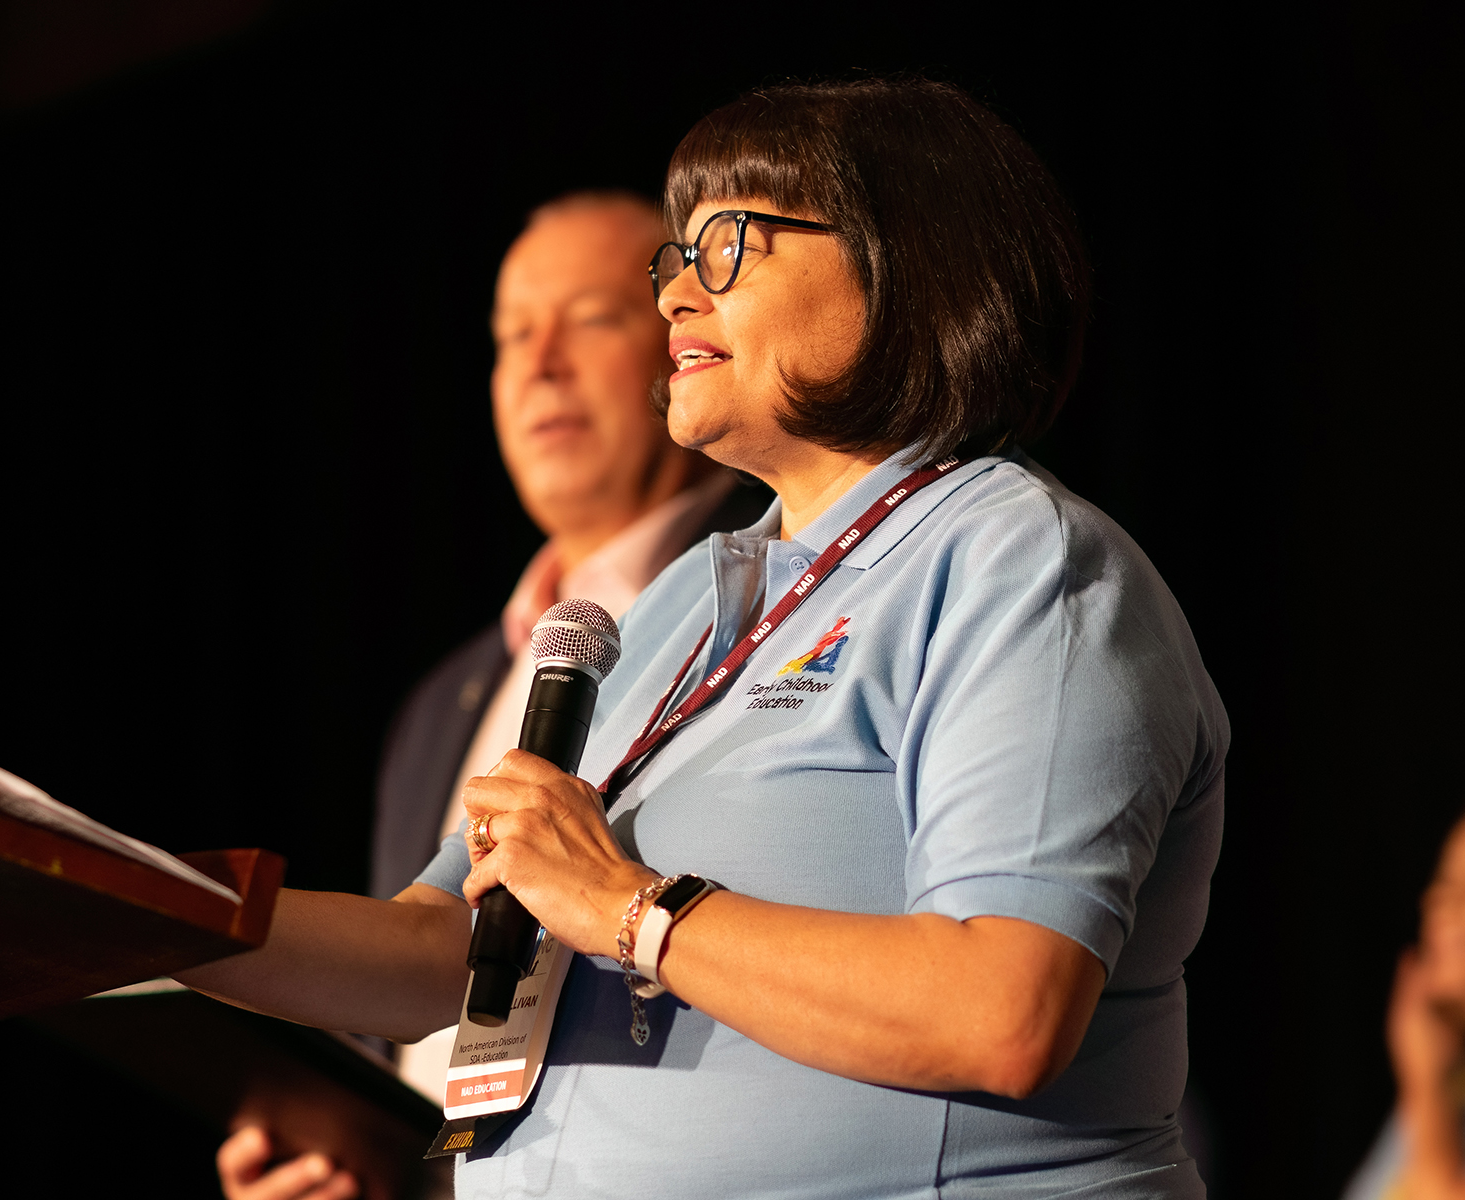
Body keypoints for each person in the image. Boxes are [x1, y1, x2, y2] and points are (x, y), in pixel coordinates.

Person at [182, 76, 1228, 1199]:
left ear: (912, 259)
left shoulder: (1023, 565)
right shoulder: (687, 600)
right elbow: (436, 952)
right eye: (672, 258)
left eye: (727, 245)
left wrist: (632, 910)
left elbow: (1005, 1009)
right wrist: (142, 911)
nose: (678, 293)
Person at [215, 191, 767, 1199]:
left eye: (590, 319)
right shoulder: (444, 702)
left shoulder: (772, 599)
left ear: (688, 342)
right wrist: (350, 1154)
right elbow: (427, 966)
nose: (540, 363)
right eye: (513, 335)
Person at [1346, 786, 1465, 1200]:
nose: (1441, 899)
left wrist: (1424, 1085)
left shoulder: (1433, 1089)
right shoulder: (1462, 1085)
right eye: (1444, 879)